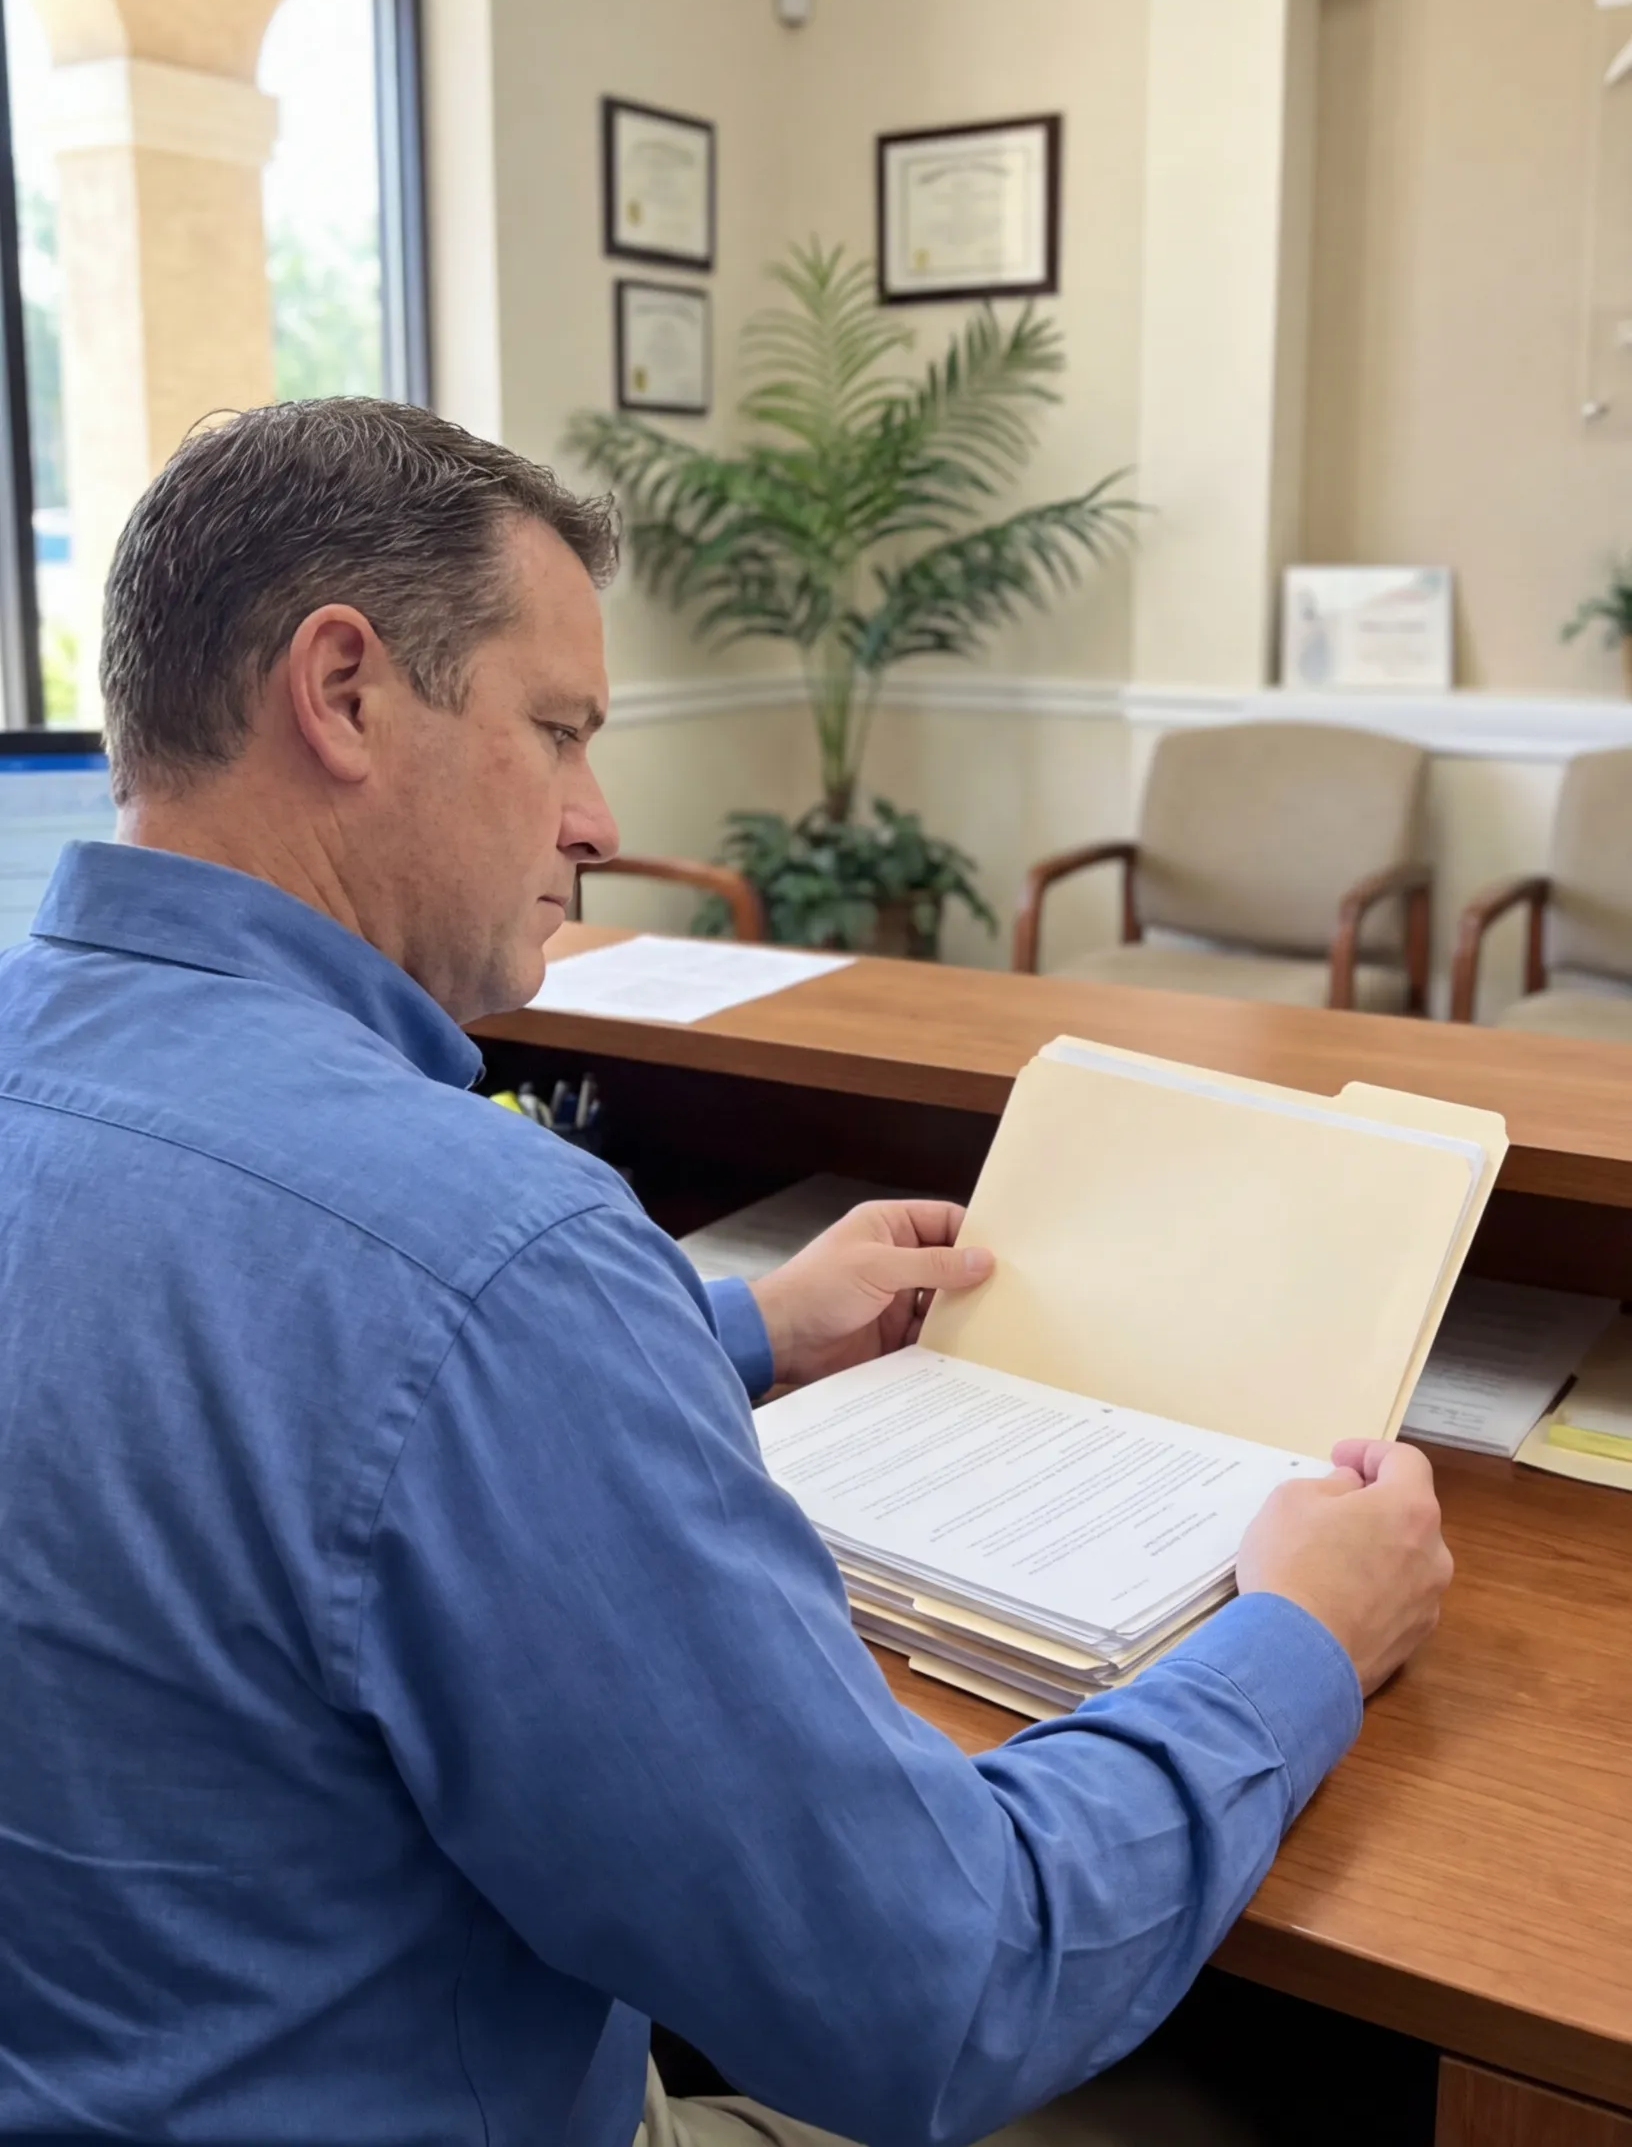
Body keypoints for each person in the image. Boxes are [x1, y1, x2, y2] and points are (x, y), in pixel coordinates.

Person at [0, 398, 1452, 2147]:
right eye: (557, 729)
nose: (599, 818)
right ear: (345, 692)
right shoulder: (486, 1256)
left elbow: (248, 1391)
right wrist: (1306, 1633)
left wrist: (746, 1324)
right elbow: (944, 1985)